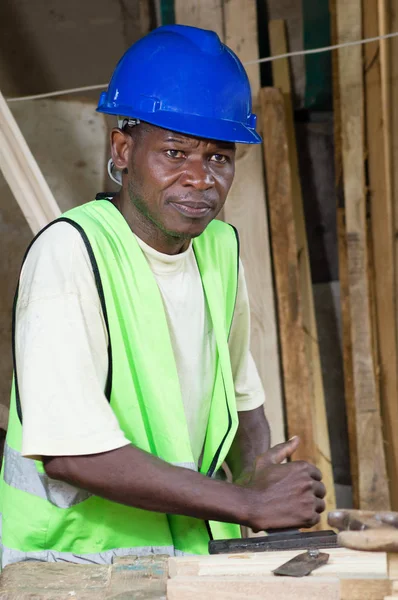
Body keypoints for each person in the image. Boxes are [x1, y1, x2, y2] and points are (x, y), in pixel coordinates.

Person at [0, 24, 325, 567]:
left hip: (180, 560)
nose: (200, 179)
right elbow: (69, 454)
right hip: (66, 567)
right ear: (123, 150)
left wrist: (258, 472)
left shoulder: (218, 248)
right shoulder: (71, 253)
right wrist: (247, 502)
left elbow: (243, 398)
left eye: (219, 158)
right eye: (175, 153)